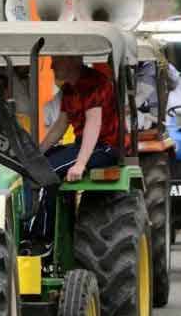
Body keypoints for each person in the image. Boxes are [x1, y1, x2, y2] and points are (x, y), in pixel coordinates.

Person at [28, 55, 119, 242]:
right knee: (35, 167)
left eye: (56, 60)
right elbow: (60, 126)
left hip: (105, 147)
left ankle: (42, 240)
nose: (52, 65)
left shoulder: (94, 83)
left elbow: (93, 124)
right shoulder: (69, 89)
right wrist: (36, 154)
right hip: (83, 144)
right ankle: (42, 227)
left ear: (72, 60)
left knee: (47, 173)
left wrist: (80, 164)